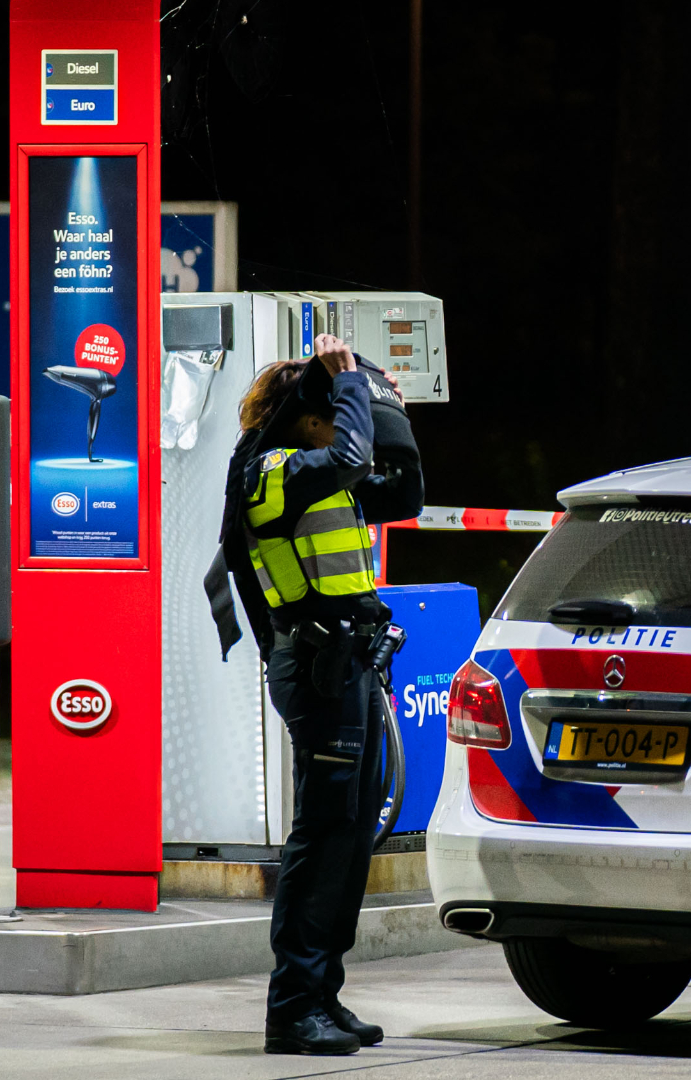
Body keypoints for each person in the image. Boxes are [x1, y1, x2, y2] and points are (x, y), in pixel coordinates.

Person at [218, 334, 423, 1056]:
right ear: (306, 417)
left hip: (353, 663)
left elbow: (402, 490)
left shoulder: (321, 473)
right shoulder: (271, 471)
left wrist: (382, 404)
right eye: (333, 410)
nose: (342, 422)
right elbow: (351, 457)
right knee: (323, 834)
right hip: (316, 668)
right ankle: (292, 1007)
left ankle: (323, 996)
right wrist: (349, 389)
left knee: (352, 833)